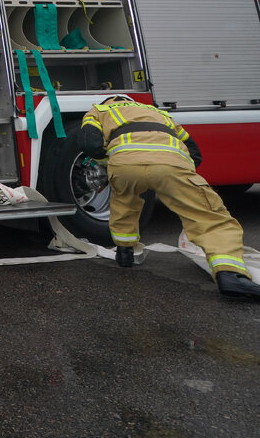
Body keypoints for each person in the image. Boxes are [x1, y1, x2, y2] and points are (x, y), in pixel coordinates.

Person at [78, 95, 260, 300]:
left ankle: (125, 253)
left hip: (124, 166)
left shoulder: (99, 111)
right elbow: (194, 151)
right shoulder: (159, 113)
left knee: (124, 202)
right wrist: (183, 176)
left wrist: (109, 161)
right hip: (169, 165)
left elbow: (89, 143)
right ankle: (230, 273)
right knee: (208, 215)